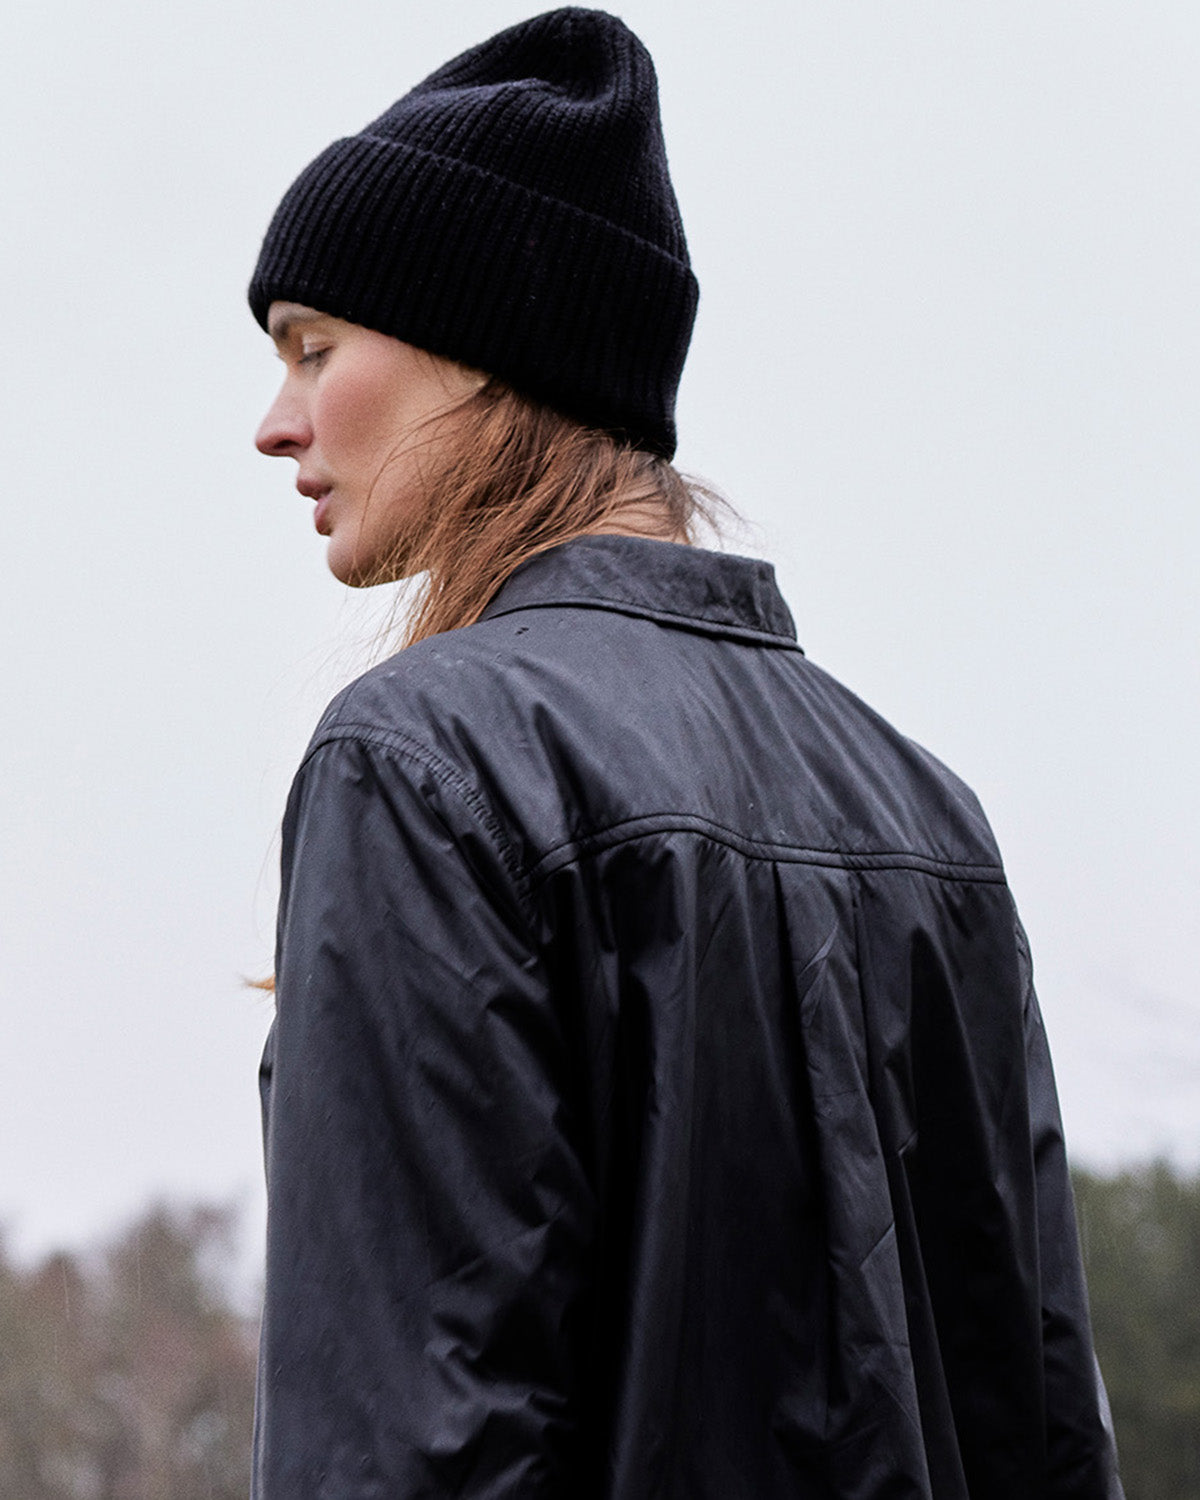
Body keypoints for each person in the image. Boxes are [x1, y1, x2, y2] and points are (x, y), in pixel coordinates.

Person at [248, 9, 1123, 1497]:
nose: (276, 425)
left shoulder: (423, 764)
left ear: (483, 349)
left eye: (313, 349)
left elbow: (411, 1449)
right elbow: (1045, 1432)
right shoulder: (930, 814)